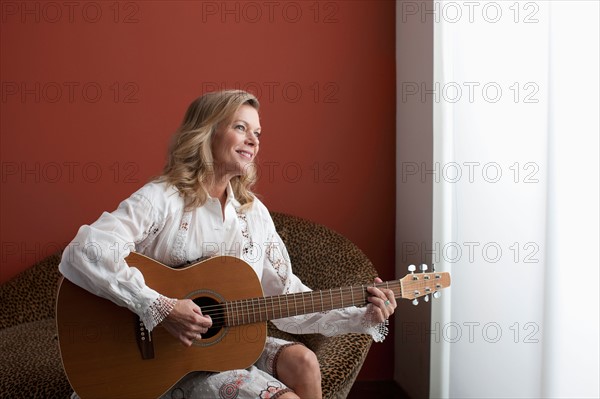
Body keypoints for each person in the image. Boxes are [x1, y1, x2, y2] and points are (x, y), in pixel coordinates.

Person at [59, 89, 397, 399]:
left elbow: (285, 296)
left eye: (258, 133)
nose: (254, 140)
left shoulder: (253, 213)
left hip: (228, 344)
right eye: (241, 127)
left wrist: (360, 312)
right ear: (207, 132)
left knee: (304, 361)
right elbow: (84, 250)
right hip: (160, 356)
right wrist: (161, 307)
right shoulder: (162, 198)